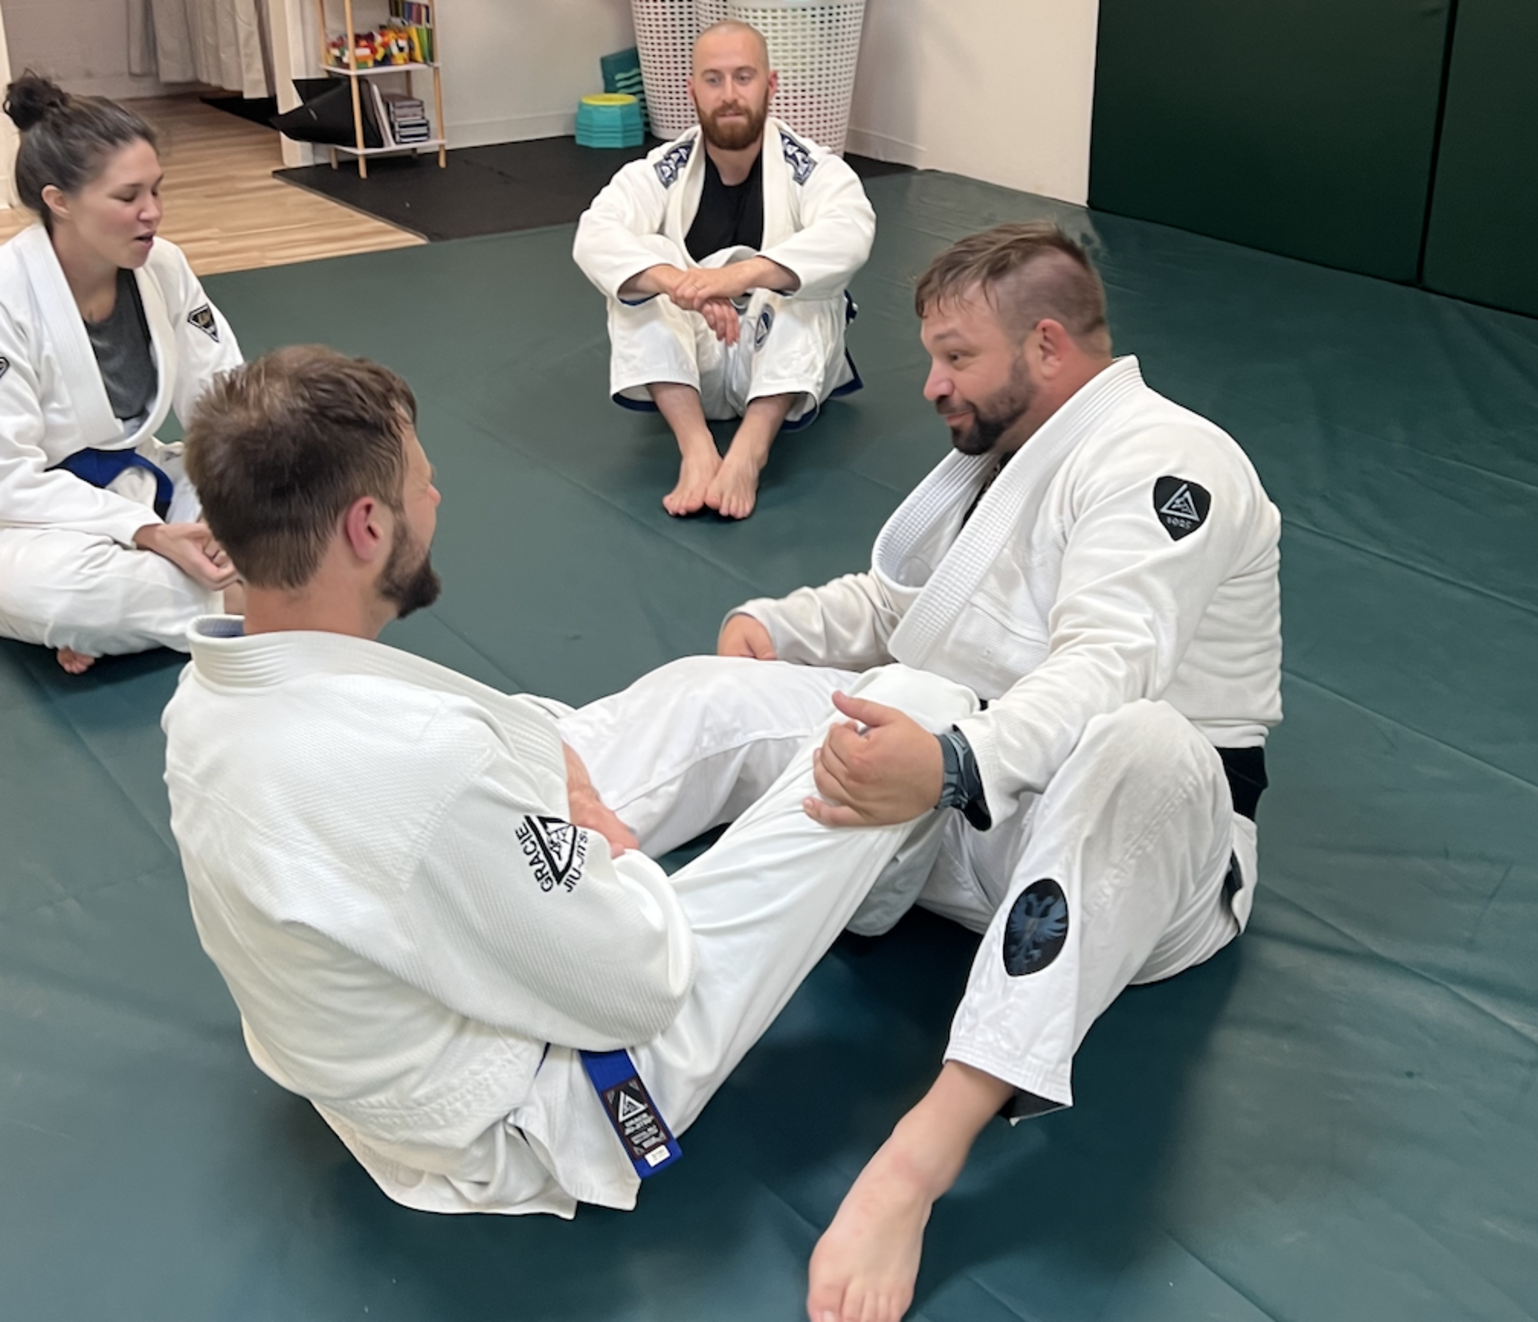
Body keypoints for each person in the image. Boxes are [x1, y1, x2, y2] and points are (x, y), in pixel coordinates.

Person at [161, 344, 980, 1217]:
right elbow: (639, 985)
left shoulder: (204, 701)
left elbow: (437, 793)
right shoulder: (423, 763)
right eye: (422, 486)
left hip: (384, 1022)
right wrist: (599, 840)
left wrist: (548, 783)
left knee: (697, 696)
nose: (436, 499)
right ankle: (872, 890)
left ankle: (848, 842)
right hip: (541, 1109)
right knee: (915, 705)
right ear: (367, 528)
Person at [652, 221, 1282, 1321]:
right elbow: (913, 609)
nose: (932, 384)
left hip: (1140, 862)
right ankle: (583, 891)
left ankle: (917, 1161)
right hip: (980, 801)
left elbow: (1109, 664)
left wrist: (950, 763)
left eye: (955, 356)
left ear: (1046, 345)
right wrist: (779, 628)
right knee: (729, 694)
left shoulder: (1166, 458)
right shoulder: (1009, 454)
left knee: (1135, 738)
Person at [572, 20, 874, 520]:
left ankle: (748, 452)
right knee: (644, 260)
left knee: (805, 274)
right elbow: (595, 232)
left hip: (782, 368)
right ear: (692, 90)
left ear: (770, 85)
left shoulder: (811, 167)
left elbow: (852, 229)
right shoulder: (663, 169)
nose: (729, 94)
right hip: (693, 365)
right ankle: (696, 449)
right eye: (713, 79)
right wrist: (677, 283)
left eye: (743, 77)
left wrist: (739, 276)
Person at [0, 73, 244, 673]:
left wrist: (220, 514)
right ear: (59, 201)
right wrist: (145, 531)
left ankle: (137, 615)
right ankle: (245, 602)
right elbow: (9, 478)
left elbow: (227, 403)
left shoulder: (164, 266)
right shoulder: (7, 295)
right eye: (128, 196)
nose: (152, 213)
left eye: (156, 190)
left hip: (142, 481)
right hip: (33, 519)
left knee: (291, 491)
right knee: (61, 592)